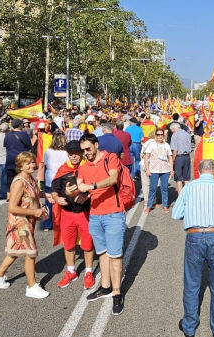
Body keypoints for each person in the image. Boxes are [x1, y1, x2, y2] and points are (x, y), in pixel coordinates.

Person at [172, 158, 214, 337]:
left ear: (199, 171)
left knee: (192, 284)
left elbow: (176, 213)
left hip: (194, 235)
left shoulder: (189, 187)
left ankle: (189, 326)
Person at [0, 152, 50, 299]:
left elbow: (34, 193)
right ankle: (32, 286)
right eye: (28, 163)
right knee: (30, 253)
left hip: (29, 220)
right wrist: (35, 211)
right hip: (20, 223)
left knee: (15, 250)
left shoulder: (30, 178)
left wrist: (46, 196)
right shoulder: (19, 182)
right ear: (20, 166)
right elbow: (12, 207)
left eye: (33, 162)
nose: (32, 165)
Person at [76, 133, 127, 315]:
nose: (86, 153)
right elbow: (79, 186)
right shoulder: (84, 167)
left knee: (115, 256)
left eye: (88, 149)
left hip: (113, 214)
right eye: (83, 151)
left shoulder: (110, 158)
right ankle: (105, 287)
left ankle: (117, 293)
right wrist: (74, 192)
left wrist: (92, 186)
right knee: (102, 253)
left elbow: (113, 178)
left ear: (96, 145)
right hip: (95, 215)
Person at [51, 140, 95, 290]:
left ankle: (88, 272)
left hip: (85, 212)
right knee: (68, 244)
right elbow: (54, 189)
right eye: (70, 154)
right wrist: (57, 198)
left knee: (87, 244)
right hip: (67, 213)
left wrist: (87, 196)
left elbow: (97, 187)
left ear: (81, 153)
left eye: (76, 153)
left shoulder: (88, 167)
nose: (73, 156)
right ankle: (71, 271)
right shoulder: (63, 169)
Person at [38, 132, 68, 232]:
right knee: (63, 200)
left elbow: (45, 164)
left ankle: (47, 223)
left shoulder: (48, 151)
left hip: (50, 177)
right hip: (62, 178)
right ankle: (62, 222)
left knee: (49, 202)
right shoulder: (66, 152)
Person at [143, 128, 173, 213]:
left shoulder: (166, 145)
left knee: (165, 188)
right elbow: (146, 158)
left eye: (161, 135)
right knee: (152, 188)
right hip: (154, 170)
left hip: (165, 170)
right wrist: (147, 169)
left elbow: (170, 157)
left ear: (163, 136)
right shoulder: (151, 145)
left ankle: (165, 205)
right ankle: (149, 206)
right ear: (155, 136)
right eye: (158, 135)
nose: (160, 136)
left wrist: (171, 169)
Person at [2, 119, 33, 200]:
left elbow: (5, 145)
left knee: (10, 177)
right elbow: (29, 146)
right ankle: (21, 194)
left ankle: (9, 195)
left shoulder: (7, 135)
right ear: (20, 125)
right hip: (21, 159)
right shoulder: (24, 134)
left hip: (10, 158)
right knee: (22, 177)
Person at [169, 122, 193, 188]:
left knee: (178, 178)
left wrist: (173, 160)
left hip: (179, 157)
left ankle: (180, 196)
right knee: (186, 178)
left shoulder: (175, 135)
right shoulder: (187, 134)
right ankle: (187, 195)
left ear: (174, 128)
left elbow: (175, 150)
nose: (172, 132)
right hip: (187, 156)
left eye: (172, 130)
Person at [0, 123, 9, 197]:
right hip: (5, 159)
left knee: (3, 176)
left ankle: (4, 193)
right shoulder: (6, 137)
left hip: (0, 158)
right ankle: (3, 194)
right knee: (4, 177)